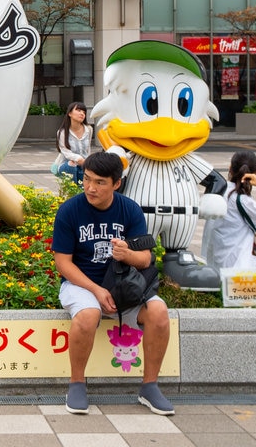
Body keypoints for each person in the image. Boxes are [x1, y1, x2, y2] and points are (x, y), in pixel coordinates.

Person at [52, 151, 174, 416]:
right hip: (82, 285)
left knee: (159, 312)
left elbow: (145, 259)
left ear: (116, 183)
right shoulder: (70, 211)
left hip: (124, 286)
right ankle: (76, 384)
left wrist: (127, 255)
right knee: (88, 314)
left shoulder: (129, 209)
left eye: (100, 182)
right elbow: (63, 263)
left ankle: (150, 386)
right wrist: (96, 290)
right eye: (87, 179)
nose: (90, 188)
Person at [201, 150, 256, 282]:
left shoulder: (219, 191)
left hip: (215, 265)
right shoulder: (241, 200)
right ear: (254, 173)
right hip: (238, 271)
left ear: (230, 169)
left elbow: (232, 232)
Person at [52, 102, 92, 185]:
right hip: (67, 165)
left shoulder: (89, 129)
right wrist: (78, 159)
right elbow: (65, 152)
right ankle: (72, 191)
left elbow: (88, 149)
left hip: (84, 165)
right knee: (71, 164)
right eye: (79, 110)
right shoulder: (62, 132)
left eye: (84, 112)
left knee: (84, 186)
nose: (82, 114)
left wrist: (87, 162)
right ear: (70, 113)